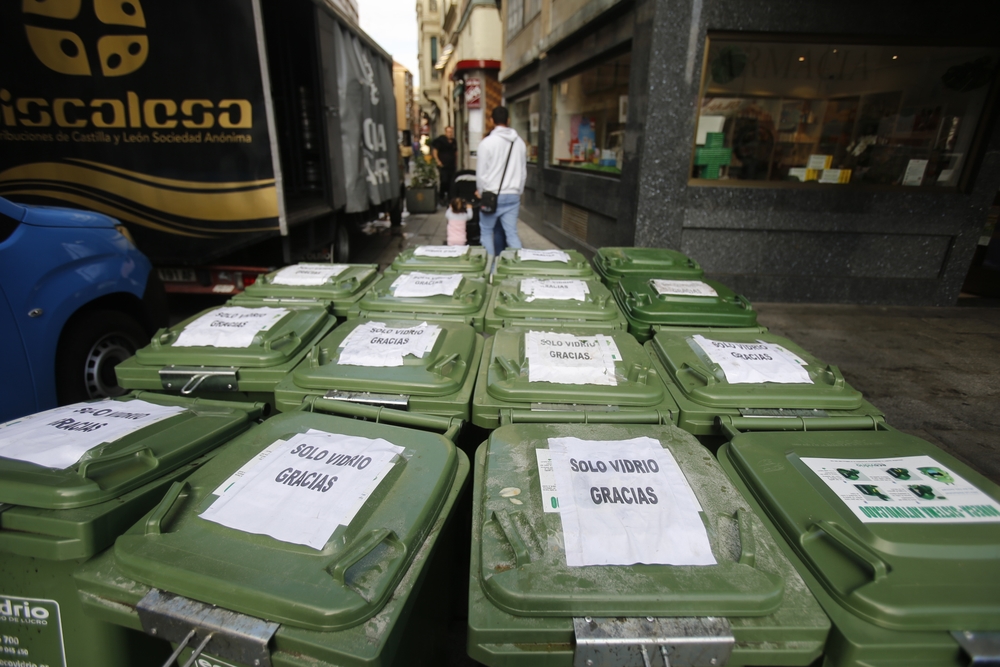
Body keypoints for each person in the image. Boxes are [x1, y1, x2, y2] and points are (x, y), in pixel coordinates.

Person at [476, 106, 526, 256]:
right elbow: (523, 172)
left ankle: (491, 272)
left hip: (491, 195)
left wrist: (480, 191)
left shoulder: (486, 143)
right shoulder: (520, 143)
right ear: (508, 121)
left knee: (486, 232)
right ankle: (519, 268)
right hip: (513, 195)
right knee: (512, 234)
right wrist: (518, 191)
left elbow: (481, 173)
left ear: (492, 121)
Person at [431, 126, 457, 206]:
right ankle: (441, 197)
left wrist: (456, 162)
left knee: (451, 182)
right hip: (443, 165)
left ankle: (449, 198)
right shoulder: (440, 141)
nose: (450, 134)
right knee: (444, 181)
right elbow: (435, 151)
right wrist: (438, 161)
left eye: (451, 132)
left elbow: (456, 152)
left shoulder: (453, 141)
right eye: (448, 132)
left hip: (451, 166)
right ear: (445, 132)